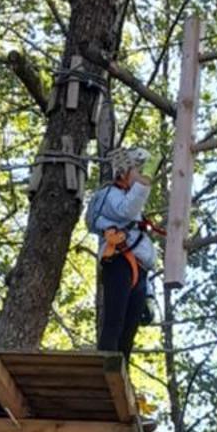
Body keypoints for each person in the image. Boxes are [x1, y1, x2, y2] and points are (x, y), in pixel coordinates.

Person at [85, 145, 158, 361]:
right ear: (124, 172)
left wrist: (150, 296)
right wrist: (144, 182)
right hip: (118, 261)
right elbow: (127, 210)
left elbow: (143, 246)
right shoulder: (109, 195)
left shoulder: (129, 202)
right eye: (137, 170)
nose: (141, 175)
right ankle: (105, 369)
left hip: (139, 268)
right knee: (114, 322)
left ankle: (121, 373)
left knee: (129, 330)